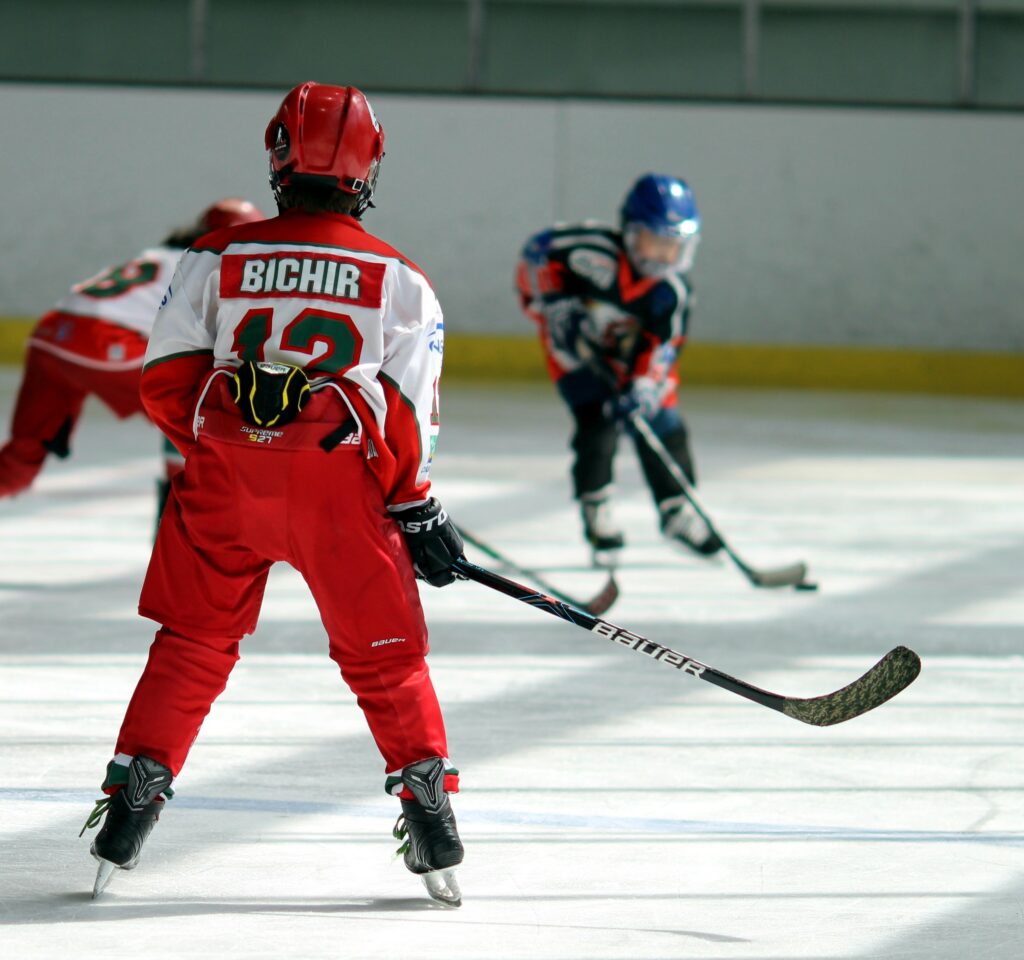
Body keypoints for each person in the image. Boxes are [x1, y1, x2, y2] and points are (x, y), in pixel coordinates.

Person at [79, 81, 467, 907]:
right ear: (368, 168)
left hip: (221, 483)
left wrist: (233, 445)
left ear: (278, 155)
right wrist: (414, 501)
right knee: (385, 659)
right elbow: (406, 411)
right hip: (340, 496)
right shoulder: (403, 279)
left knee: (192, 645)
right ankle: (431, 817)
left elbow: (163, 382)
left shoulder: (216, 255)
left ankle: (130, 806)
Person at [0, 199, 265, 515]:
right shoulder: (213, 265)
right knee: (195, 402)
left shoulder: (158, 256)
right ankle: (182, 507)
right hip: (105, 341)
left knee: (22, 456)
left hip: (52, 333)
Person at [515, 173, 723, 565]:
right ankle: (597, 508)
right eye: (658, 241)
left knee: (663, 421)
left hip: (631, 361)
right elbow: (537, 251)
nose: (666, 254)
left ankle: (677, 509)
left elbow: (663, 347)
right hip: (575, 354)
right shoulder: (589, 251)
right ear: (630, 231)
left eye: (675, 244)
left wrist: (644, 386)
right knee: (598, 422)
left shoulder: (672, 293)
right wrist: (553, 301)